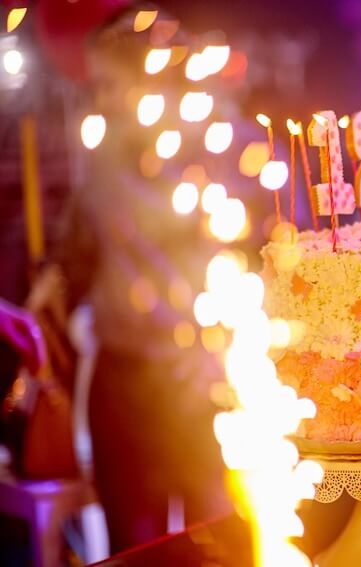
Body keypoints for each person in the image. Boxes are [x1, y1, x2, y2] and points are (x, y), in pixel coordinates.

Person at [28, 5, 232, 553]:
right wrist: (53, 289)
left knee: (207, 540)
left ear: (154, 83)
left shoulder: (202, 159)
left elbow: (230, 265)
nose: (103, 100)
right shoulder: (99, 167)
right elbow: (76, 256)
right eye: (97, 87)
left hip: (191, 381)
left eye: (113, 85)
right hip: (121, 382)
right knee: (130, 547)